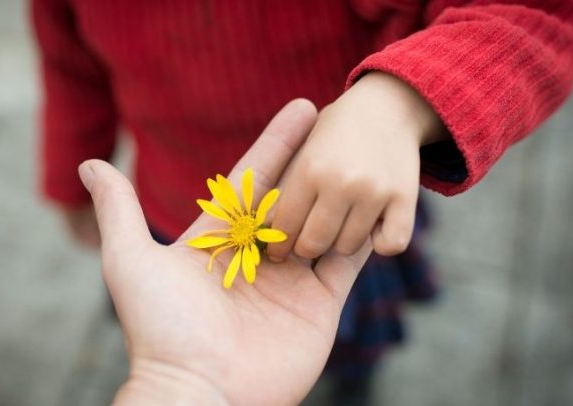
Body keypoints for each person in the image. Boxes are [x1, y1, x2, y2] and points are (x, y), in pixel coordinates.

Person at [31, 0, 573, 401]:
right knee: (167, 318)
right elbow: (70, 69)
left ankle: (353, 377)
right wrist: (69, 179)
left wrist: (400, 102)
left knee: (345, 333)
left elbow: (532, 15)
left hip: (338, 230)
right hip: (177, 220)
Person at [77, 100, 373, 404]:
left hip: (332, 183)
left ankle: (356, 374)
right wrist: (176, 380)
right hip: (165, 203)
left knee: (358, 324)